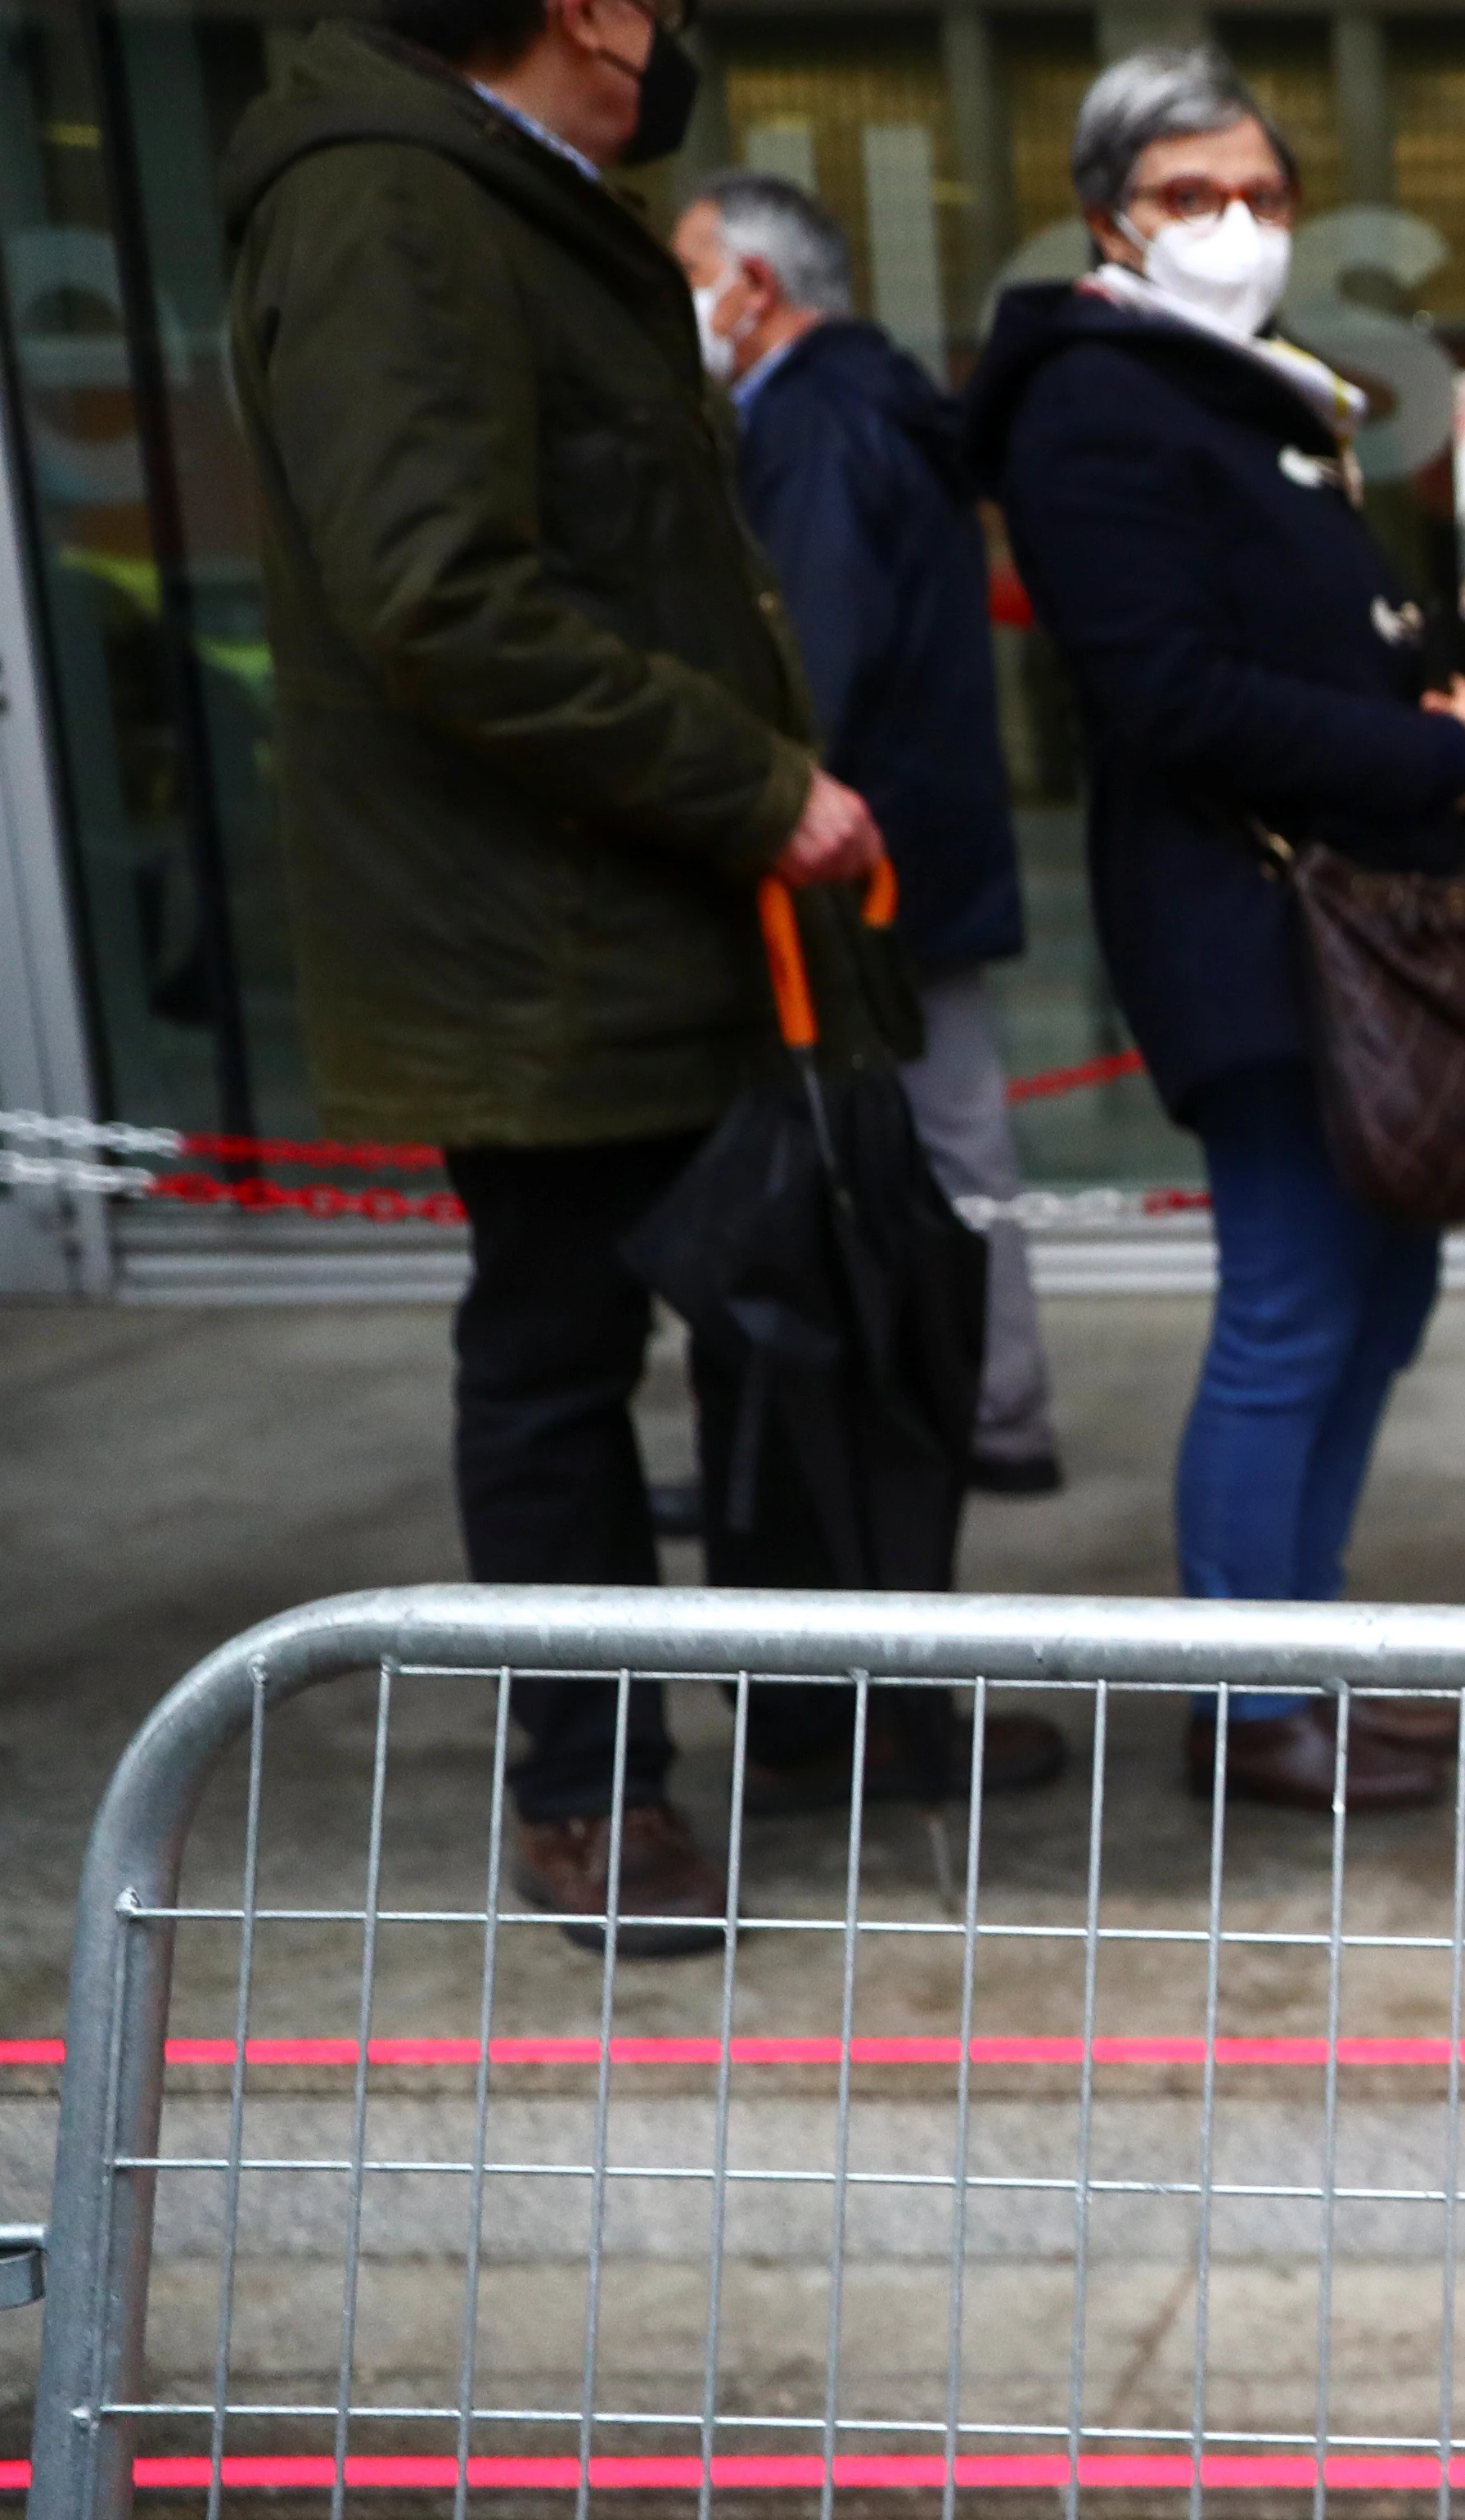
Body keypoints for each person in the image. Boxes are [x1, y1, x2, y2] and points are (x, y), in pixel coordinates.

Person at [223, 0, 966, 1955]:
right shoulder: (388, 202)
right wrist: (753, 787)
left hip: (673, 905)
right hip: (539, 931)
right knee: (559, 1351)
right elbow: (438, 594)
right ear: (586, 15)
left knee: (779, 1308)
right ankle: (588, 1786)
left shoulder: (540, 203)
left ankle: (814, 1707)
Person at [968, 45, 1465, 1815]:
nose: (1237, 228)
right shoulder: (1097, 404)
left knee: (1385, 1287)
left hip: (1357, 917)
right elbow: (1173, 693)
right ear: (1107, 220)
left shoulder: (1260, 393)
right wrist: (1431, 743)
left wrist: (1426, 696)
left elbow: (1297, 645)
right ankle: (1249, 1697)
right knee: (1294, 1303)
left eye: (1264, 197)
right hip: (1253, 926)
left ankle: (1311, 1658)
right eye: (1194, 197)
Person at [678, 172, 1064, 1497]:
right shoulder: (871, 403)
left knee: (887, 1152)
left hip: (851, 859)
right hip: (907, 846)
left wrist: (755, 803)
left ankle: (938, 1418)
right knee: (948, 1138)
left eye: (687, 268)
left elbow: (811, 666)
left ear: (754, 285)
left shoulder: (816, 429)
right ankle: (988, 1405)